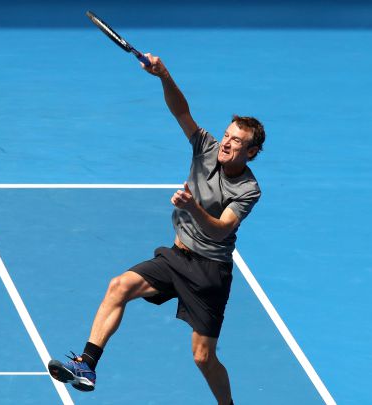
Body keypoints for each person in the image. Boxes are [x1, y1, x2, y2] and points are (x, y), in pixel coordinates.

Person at [47, 53, 265, 405]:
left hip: (210, 273)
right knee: (119, 285)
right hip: (176, 256)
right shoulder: (206, 148)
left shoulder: (248, 189)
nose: (225, 142)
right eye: (226, 135)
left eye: (236, 141)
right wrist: (163, 75)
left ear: (251, 152)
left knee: (203, 358)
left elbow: (223, 231)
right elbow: (182, 112)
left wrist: (192, 206)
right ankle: (87, 365)